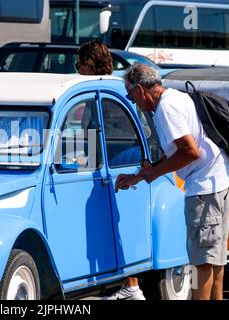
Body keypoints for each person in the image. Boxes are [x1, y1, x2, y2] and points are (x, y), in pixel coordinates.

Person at [116, 63, 229, 300]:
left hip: (205, 186)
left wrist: (155, 173)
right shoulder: (175, 97)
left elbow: (191, 152)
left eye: (131, 97)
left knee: (201, 261)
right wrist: (141, 175)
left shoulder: (166, 108)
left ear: (140, 90)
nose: (134, 103)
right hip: (220, 178)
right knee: (215, 260)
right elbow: (177, 150)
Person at [76, 39, 146, 301]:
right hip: (116, 167)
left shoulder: (103, 90)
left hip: (116, 169)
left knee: (116, 227)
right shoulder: (110, 87)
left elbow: (100, 135)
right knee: (116, 227)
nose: (77, 70)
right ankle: (128, 285)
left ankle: (130, 286)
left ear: (89, 64)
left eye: (79, 64)